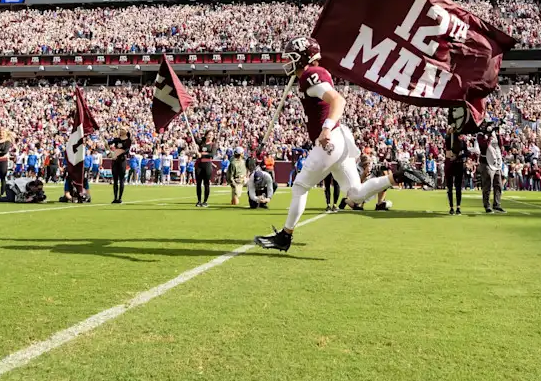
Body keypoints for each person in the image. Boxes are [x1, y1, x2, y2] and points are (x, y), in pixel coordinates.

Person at [255, 37, 428, 252]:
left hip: (330, 140)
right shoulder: (308, 76)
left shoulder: (311, 75)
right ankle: (398, 175)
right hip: (339, 139)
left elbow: (338, 100)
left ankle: (285, 236)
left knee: (300, 186)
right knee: (354, 195)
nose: (287, 62)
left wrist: (326, 128)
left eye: (291, 57)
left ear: (302, 58)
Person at [478, 123, 505, 214]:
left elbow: (501, 145)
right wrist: (489, 136)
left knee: (498, 184)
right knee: (487, 185)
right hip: (486, 162)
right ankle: (487, 205)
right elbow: (484, 146)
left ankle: (497, 204)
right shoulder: (480, 135)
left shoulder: (494, 135)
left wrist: (498, 134)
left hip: (495, 162)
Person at [443, 123, 466, 216]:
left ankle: (458, 207)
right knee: (450, 187)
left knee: (458, 187)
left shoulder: (461, 142)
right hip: (450, 164)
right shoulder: (449, 139)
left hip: (458, 164)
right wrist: (449, 133)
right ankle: (451, 207)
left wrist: (459, 155)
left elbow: (466, 151)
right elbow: (448, 141)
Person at [193, 129, 218, 207]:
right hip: (199, 165)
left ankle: (205, 201)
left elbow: (212, 155)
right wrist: (192, 132)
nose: (210, 136)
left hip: (207, 165)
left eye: (212, 135)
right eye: (209, 134)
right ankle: (199, 201)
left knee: (206, 183)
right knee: (198, 183)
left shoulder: (213, 145)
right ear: (206, 135)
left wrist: (202, 155)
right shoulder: (202, 143)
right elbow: (193, 138)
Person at [108, 127, 132, 204]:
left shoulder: (128, 140)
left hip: (122, 160)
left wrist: (119, 154)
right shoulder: (117, 139)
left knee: (121, 179)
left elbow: (127, 150)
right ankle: (115, 198)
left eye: (123, 130)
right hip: (115, 161)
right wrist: (107, 143)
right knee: (115, 180)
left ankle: (120, 198)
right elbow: (110, 143)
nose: (121, 131)